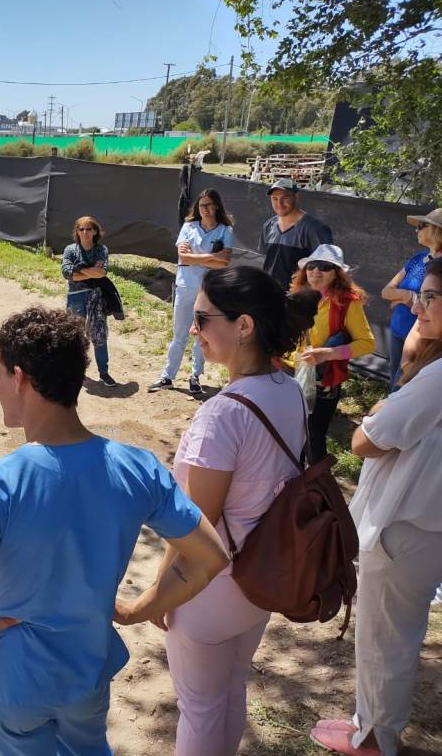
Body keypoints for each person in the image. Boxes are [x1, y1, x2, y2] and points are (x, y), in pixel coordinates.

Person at [0, 306, 228, 756]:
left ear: (20, 378)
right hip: (88, 674)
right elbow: (210, 556)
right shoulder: (136, 466)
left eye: (0, 374)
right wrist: (140, 609)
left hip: (13, 685)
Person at [147, 266, 319, 756]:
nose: (193, 329)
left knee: (199, 709)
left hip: (209, 590)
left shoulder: (222, 414)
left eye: (202, 318)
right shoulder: (287, 390)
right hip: (261, 577)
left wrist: (161, 594)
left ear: (244, 325)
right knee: (230, 691)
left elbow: (193, 526)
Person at [309, 257, 442, 756]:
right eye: (419, 294)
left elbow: (366, 441)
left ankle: (373, 739)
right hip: (423, 525)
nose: (418, 304)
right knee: (393, 638)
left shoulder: (439, 375)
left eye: (431, 296)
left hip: (403, 529)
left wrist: (379, 412)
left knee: (386, 642)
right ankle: (371, 727)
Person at [283, 244, 374, 461]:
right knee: (289, 436)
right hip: (289, 374)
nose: (316, 271)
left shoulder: (346, 303)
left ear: (336, 274)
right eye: (312, 265)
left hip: (323, 381)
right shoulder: (297, 296)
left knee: (313, 439)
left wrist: (328, 353)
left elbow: (367, 343)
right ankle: (291, 488)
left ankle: (319, 490)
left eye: (324, 266)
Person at [150, 189, 234, 395]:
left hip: (209, 291)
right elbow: (184, 259)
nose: (204, 209)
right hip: (185, 286)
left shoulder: (225, 230)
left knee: (202, 334)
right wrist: (211, 256)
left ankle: (195, 376)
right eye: (201, 205)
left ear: (217, 206)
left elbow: (224, 262)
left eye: (208, 205)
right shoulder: (189, 227)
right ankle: (168, 376)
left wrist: (198, 257)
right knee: (179, 334)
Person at [381, 208, 442, 391]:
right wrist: (407, 296)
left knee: (405, 385)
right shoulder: (418, 259)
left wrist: (406, 298)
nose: (416, 230)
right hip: (397, 329)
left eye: (422, 226)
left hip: (422, 338)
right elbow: (386, 291)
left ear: (437, 230)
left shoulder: (440, 268)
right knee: (394, 379)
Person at [61, 216, 119, 387]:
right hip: (75, 296)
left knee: (99, 334)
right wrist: (90, 271)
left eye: (88, 229)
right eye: (81, 229)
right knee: (74, 334)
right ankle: (75, 370)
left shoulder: (102, 250)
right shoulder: (70, 250)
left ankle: (104, 372)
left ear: (95, 231)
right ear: (77, 232)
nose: (85, 232)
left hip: (96, 296)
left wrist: (80, 270)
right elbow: (66, 273)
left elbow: (102, 273)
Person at [259, 178, 333, 289]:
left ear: (296, 197)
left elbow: (326, 269)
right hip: (268, 293)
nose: (279, 203)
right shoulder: (268, 225)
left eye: (285, 198)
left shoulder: (315, 228)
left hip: (298, 298)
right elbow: (266, 260)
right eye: (274, 198)